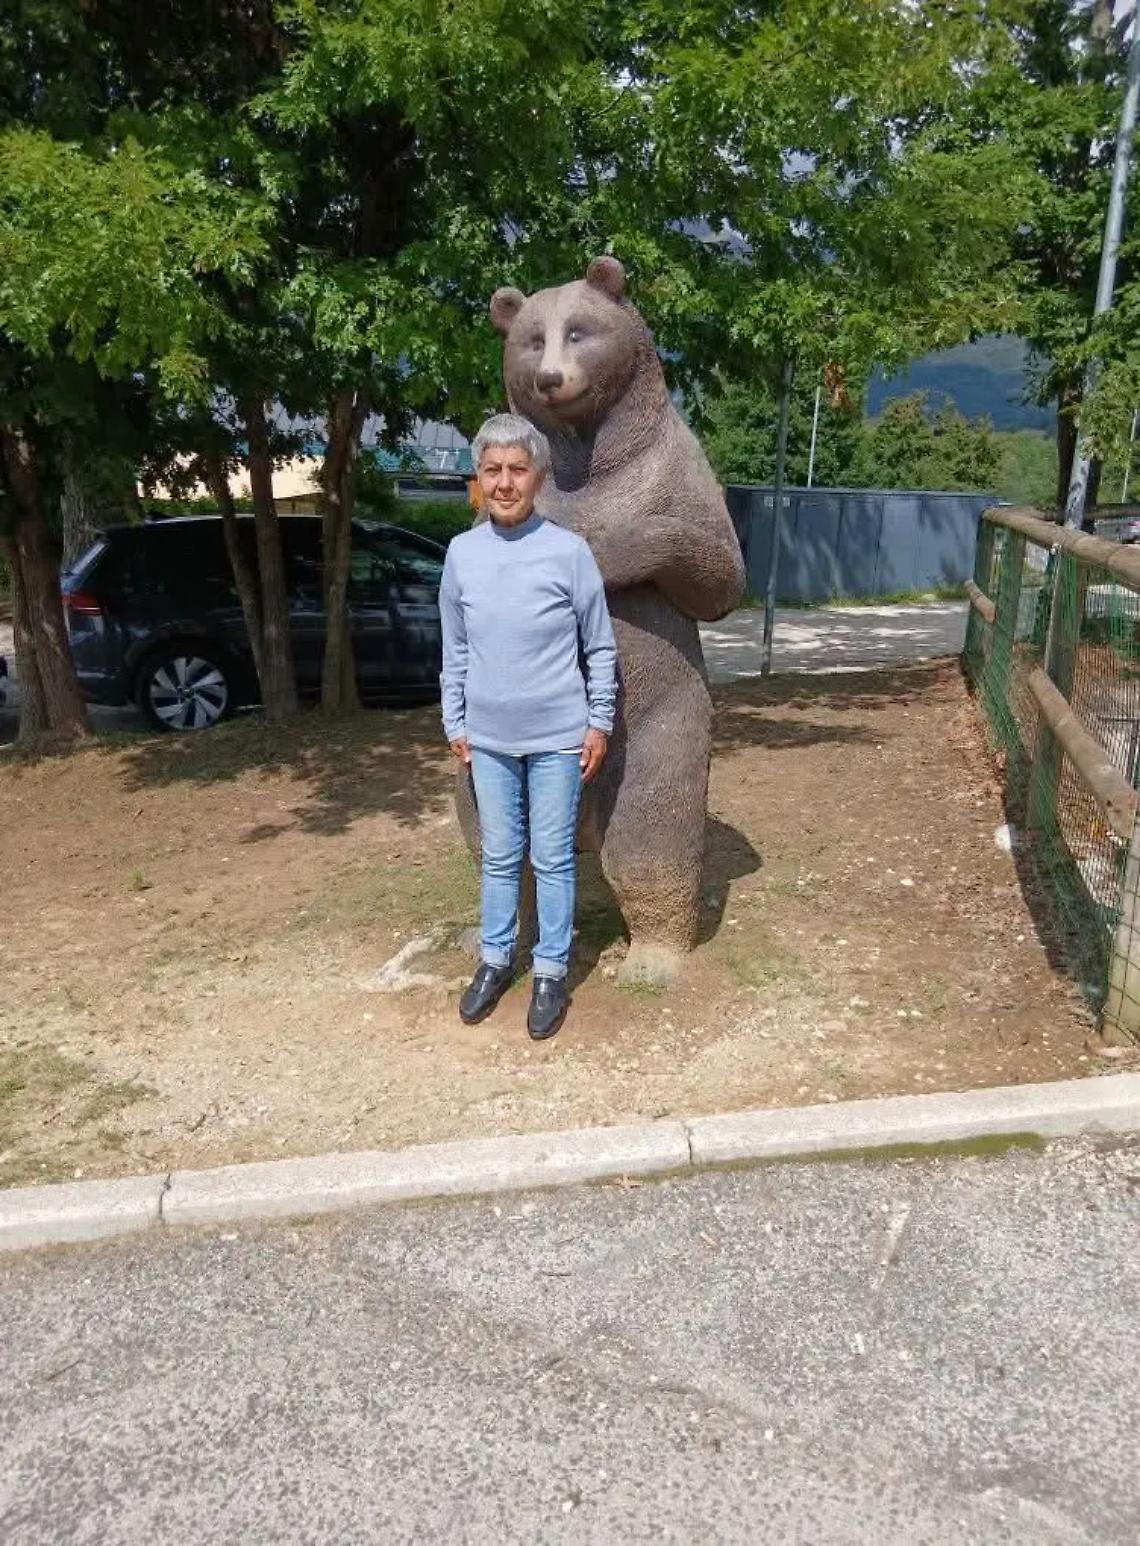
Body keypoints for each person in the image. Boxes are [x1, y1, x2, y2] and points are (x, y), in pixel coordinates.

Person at [439, 413, 617, 1039]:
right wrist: (452, 719)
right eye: (494, 471)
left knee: (552, 858)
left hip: (557, 740)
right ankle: (494, 960)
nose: (506, 482)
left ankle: (549, 971)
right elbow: (454, 647)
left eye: (518, 469)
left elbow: (599, 647)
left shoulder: (568, 553)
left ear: (538, 477)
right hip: (487, 740)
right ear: (478, 480)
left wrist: (598, 723)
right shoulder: (461, 555)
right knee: (499, 856)